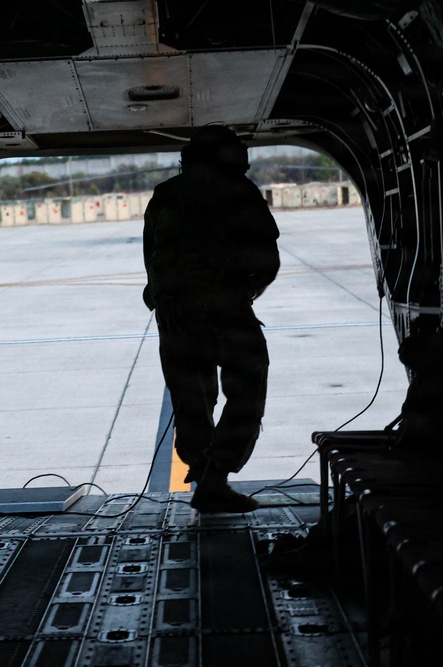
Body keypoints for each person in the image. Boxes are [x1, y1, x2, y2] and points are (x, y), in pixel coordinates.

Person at [142, 125, 280, 513]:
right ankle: (216, 477)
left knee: (191, 400)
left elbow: (151, 258)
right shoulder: (238, 191)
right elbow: (266, 260)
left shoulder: (165, 194)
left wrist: (168, 304)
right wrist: (242, 294)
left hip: (175, 319)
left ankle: (204, 475)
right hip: (226, 313)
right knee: (246, 391)